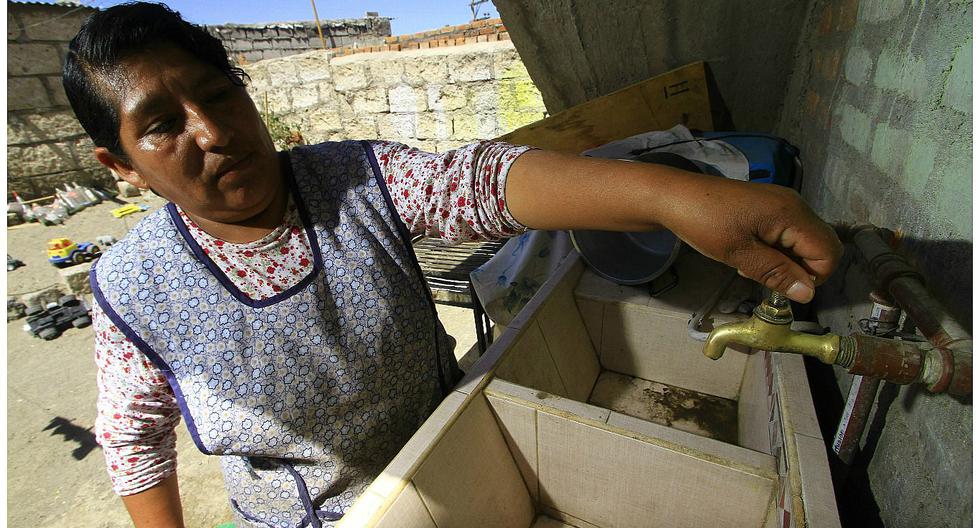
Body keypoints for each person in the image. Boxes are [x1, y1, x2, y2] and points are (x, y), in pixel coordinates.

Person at [64, 3, 842, 527]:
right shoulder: (132, 286)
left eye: (220, 95)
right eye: (163, 125)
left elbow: (482, 181)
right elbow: (133, 441)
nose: (213, 132)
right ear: (121, 165)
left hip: (454, 452)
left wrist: (674, 198)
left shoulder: (357, 179)